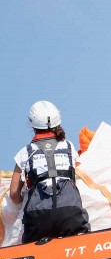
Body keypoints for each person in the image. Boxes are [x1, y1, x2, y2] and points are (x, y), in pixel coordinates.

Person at [8, 101, 90, 243]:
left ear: (32, 124)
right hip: (70, 214)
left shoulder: (24, 153)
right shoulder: (69, 147)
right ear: (58, 121)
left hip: (38, 219)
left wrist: (24, 202)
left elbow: (14, 194)